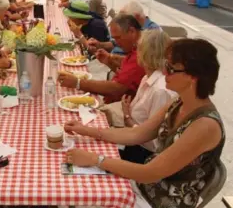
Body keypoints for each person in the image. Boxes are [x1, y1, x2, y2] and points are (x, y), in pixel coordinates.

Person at [64, 38, 224, 208]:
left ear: (193, 77)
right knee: (77, 185)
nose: (163, 71)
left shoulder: (205, 125)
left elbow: (150, 173)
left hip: (159, 200)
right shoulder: (179, 101)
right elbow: (137, 133)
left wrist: (95, 160)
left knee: (79, 195)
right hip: (145, 187)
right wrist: (86, 130)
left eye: (170, 68)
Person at [102, 30, 177, 164]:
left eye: (138, 49)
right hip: (133, 142)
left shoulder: (160, 90)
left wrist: (127, 116)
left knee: (97, 153)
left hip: (144, 156)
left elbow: (154, 142)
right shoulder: (148, 77)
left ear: (146, 54)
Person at [59, 14, 145, 103]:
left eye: (118, 38)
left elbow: (117, 88)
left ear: (132, 31)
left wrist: (78, 83)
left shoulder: (142, 54)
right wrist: (109, 60)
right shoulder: (136, 48)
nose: (117, 43)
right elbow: (127, 74)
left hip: (121, 106)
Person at [88, 0, 159, 55]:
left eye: (124, 20)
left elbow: (139, 61)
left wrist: (111, 58)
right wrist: (99, 44)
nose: (121, 22)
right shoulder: (130, 29)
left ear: (136, 16)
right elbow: (115, 43)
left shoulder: (153, 32)